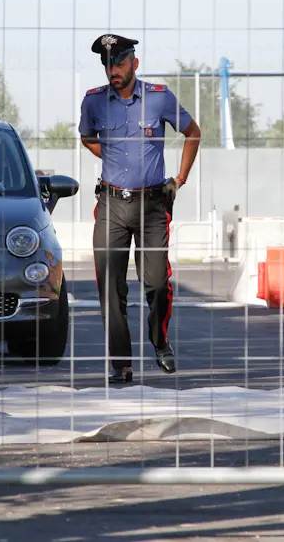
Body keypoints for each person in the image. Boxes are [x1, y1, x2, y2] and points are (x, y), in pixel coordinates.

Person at [78, 34, 202, 384]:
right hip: (111, 204)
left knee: (157, 284)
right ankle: (121, 362)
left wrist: (180, 178)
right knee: (110, 285)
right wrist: (113, 158)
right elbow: (87, 137)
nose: (112, 71)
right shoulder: (94, 103)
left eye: (118, 63)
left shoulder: (159, 99)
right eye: (107, 65)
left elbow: (193, 132)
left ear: (134, 63)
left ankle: (160, 341)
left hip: (151, 206)